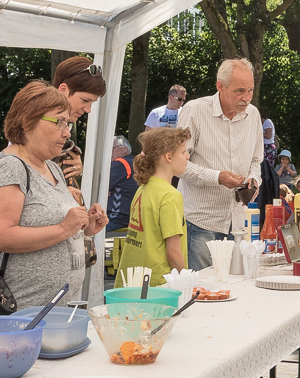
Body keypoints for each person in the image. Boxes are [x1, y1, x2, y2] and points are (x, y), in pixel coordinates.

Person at [0, 82, 107, 307]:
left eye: (67, 122)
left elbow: (50, 223)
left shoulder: (52, 166)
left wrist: (85, 227)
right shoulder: (11, 166)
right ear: (28, 122)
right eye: (59, 121)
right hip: (21, 316)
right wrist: (64, 229)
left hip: (53, 315)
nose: (67, 131)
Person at [177, 60, 263, 270]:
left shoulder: (253, 115)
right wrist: (217, 177)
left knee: (235, 287)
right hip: (201, 221)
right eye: (240, 91)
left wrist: (253, 179)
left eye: (250, 90)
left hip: (238, 222)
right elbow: (177, 165)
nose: (246, 98)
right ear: (220, 86)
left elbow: (256, 160)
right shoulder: (195, 111)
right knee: (202, 293)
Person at [112, 127, 190, 286]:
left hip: (131, 284)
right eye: (183, 152)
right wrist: (187, 282)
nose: (188, 156)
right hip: (159, 287)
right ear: (168, 156)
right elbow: (174, 253)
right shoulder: (170, 196)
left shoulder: (142, 188)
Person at [52, 56, 106, 186]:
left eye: (92, 103)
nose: (88, 110)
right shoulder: (34, 126)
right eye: (85, 100)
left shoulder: (63, 125)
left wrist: (74, 169)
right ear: (63, 90)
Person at [105, 136, 137, 232]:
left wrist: (106, 189)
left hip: (116, 218)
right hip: (131, 218)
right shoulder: (134, 163)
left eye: (112, 148)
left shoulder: (121, 163)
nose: (109, 153)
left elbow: (102, 187)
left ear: (124, 149)